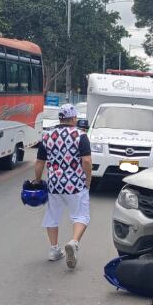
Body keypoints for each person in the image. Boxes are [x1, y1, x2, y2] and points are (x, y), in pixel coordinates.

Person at [33, 103, 92, 269]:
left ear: (60, 118)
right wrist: (88, 179)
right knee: (81, 216)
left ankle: (53, 249)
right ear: (73, 118)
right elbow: (86, 161)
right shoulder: (80, 136)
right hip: (75, 184)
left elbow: (39, 162)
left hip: (54, 184)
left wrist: (37, 180)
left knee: (52, 215)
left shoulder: (47, 136)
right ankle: (74, 242)